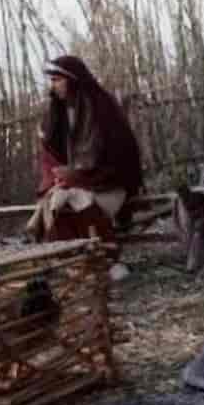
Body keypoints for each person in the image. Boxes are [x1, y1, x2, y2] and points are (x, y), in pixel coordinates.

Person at [26, 56, 143, 278]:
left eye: (57, 79)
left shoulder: (102, 109)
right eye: (51, 80)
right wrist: (59, 176)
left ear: (72, 80)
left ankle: (109, 260)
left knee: (79, 198)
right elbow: (51, 156)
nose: (53, 85)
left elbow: (120, 158)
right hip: (76, 183)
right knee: (58, 200)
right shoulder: (58, 113)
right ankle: (76, 262)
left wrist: (80, 175)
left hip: (110, 185)